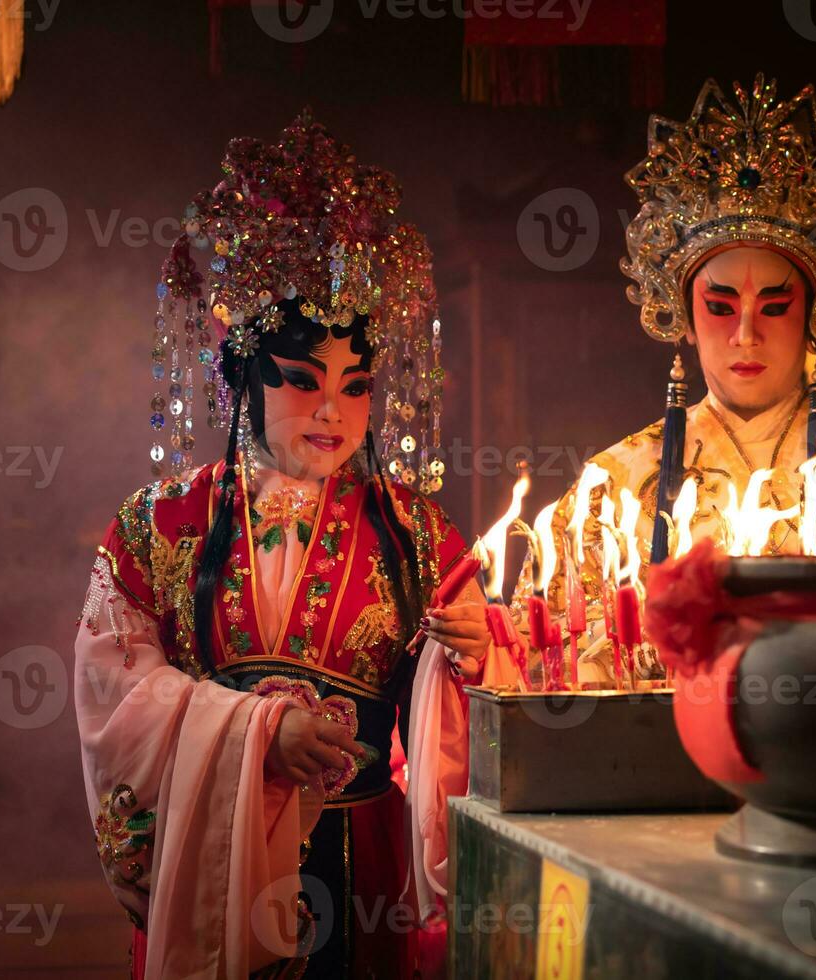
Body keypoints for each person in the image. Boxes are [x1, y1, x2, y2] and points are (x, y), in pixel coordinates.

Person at [75, 113, 509, 979]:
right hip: (217, 852)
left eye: (356, 387)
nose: (332, 414)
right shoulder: (158, 526)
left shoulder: (420, 536)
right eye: (303, 381)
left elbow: (480, 719)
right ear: (242, 375)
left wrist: (479, 659)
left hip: (368, 862)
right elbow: (114, 694)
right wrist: (255, 732)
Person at [517, 75, 816, 679]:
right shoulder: (610, 490)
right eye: (719, 306)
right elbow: (548, 663)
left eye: (774, 305)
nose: (745, 334)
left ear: (813, 314)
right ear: (685, 317)